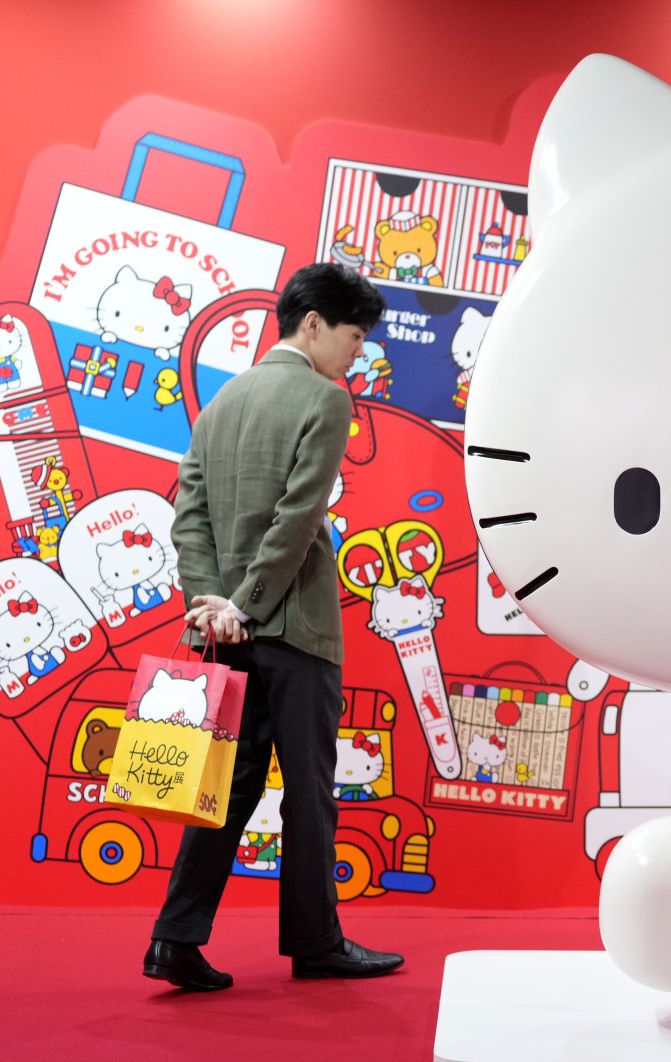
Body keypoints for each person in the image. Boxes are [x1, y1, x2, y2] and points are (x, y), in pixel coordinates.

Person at [143, 263, 402, 990]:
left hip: (226, 631)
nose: (359, 352)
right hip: (293, 625)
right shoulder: (325, 398)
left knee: (223, 789)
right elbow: (298, 518)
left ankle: (174, 939)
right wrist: (249, 603)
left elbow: (188, 512)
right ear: (313, 323)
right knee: (310, 789)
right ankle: (316, 944)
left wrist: (211, 603)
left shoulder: (224, 399)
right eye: (355, 335)